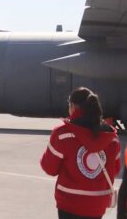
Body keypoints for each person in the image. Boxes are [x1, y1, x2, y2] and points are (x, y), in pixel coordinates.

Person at [41, 87, 120, 219]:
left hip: (69, 203)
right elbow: (115, 169)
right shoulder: (111, 138)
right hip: (97, 204)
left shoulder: (63, 134)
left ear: (72, 106)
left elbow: (49, 168)